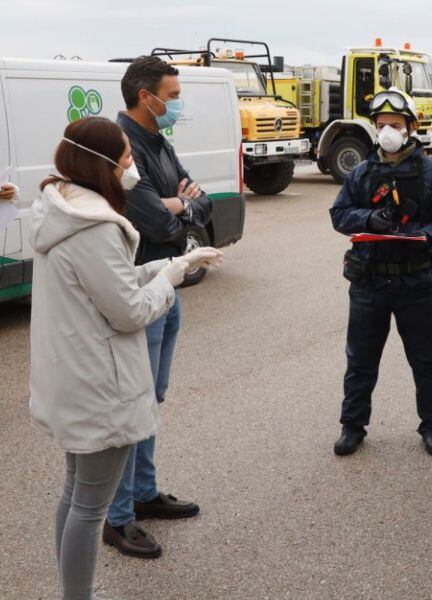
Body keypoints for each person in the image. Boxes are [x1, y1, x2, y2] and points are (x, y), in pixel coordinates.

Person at [29, 117, 219, 599]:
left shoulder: (62, 207)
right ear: (102, 163)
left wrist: (169, 263)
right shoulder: (95, 226)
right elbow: (129, 312)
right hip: (100, 384)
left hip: (75, 375)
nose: (132, 167)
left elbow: (108, 281)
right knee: (91, 506)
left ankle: (73, 590)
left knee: (76, 495)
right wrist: (170, 280)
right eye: (126, 159)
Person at [105, 55, 215, 558]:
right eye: (172, 96)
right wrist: (179, 207)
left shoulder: (160, 142)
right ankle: (117, 515)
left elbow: (202, 203)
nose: (177, 104)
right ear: (145, 97)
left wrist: (183, 204)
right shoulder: (122, 148)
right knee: (133, 406)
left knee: (152, 401)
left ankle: (144, 494)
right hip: (140, 288)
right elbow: (160, 226)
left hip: (168, 287)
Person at [329, 87, 432, 457]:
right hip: (369, 282)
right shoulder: (360, 173)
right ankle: (352, 426)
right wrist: (367, 217)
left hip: (417, 283)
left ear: (410, 127)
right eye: (381, 124)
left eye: (395, 124)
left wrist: (425, 236)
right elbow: (339, 214)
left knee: (425, 360)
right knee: (360, 360)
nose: (387, 131)